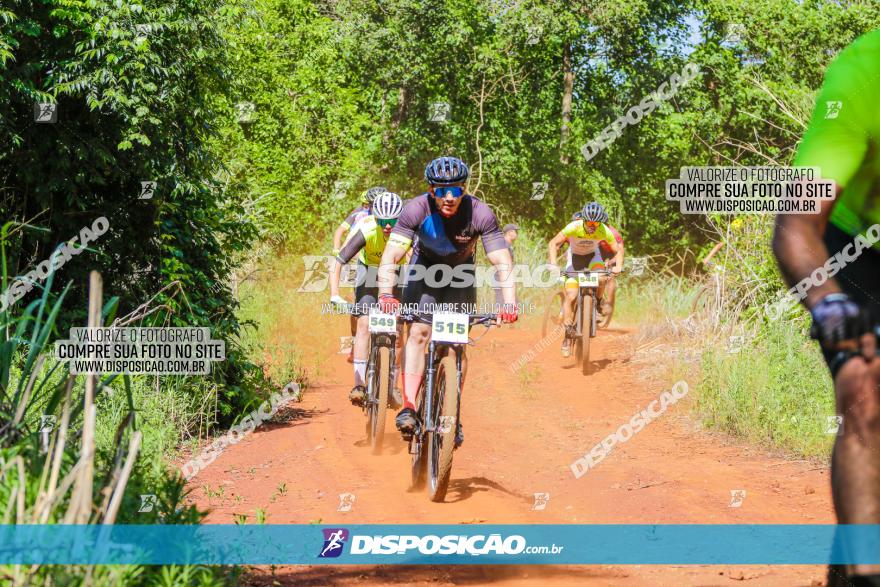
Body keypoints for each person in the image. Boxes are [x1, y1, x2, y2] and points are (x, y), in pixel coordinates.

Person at [772, 29, 880, 587]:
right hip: (851, 251)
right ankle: (865, 573)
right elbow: (793, 227)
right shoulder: (863, 75)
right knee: (866, 383)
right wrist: (830, 308)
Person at [375, 156, 518, 446]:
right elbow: (391, 256)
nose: (449, 197)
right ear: (431, 191)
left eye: (456, 189)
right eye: (441, 190)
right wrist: (386, 294)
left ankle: (452, 413)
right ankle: (409, 406)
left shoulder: (480, 213)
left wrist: (509, 302)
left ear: (464, 189)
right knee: (418, 332)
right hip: (424, 270)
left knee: (459, 344)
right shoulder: (415, 209)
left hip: (460, 276)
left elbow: (502, 261)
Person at [329, 192, 406, 406]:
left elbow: (418, 263)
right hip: (368, 273)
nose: (388, 226)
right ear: (375, 218)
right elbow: (338, 263)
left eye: (392, 221)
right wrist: (334, 294)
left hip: (397, 274)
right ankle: (359, 385)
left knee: (399, 332)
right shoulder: (367, 229)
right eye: (383, 221)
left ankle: (394, 388)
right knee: (363, 323)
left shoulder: (407, 231)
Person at [548, 202, 620, 357]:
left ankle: (598, 302)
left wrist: (618, 265)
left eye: (596, 223)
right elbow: (553, 243)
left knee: (602, 278)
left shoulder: (603, 230)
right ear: (584, 220)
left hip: (593, 258)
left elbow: (618, 249)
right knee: (572, 296)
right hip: (574, 259)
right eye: (589, 222)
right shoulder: (574, 227)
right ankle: (568, 335)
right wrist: (553, 264)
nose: (593, 226)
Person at [332, 186, 387, 362]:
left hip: (384, 262)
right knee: (358, 302)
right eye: (369, 204)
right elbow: (342, 233)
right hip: (359, 257)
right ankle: (355, 340)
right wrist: (338, 251)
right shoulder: (360, 215)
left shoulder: (390, 216)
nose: (371, 208)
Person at [573, 210, 625, 318]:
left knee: (609, 276)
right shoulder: (590, 231)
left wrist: (611, 263)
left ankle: (607, 304)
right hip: (599, 250)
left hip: (612, 253)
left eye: (598, 224)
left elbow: (619, 252)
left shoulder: (613, 234)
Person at [494, 223, 519, 309]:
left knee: (512, 302)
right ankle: (498, 320)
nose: (517, 234)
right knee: (502, 302)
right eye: (515, 232)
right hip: (501, 277)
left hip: (505, 276)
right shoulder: (504, 244)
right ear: (509, 232)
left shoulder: (507, 244)